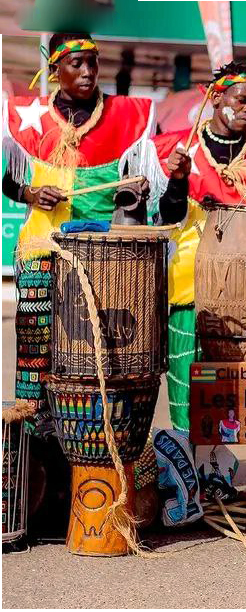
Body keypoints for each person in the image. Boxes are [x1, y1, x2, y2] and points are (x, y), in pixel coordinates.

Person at [3, 31, 159, 433]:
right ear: (55, 71)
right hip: (41, 242)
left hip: (102, 247)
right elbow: (8, 180)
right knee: (36, 329)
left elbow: (141, 188)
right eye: (77, 64)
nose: (88, 72)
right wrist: (29, 192)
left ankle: (98, 416)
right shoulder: (29, 118)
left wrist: (133, 190)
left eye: (93, 62)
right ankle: (32, 409)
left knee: (98, 335)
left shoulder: (126, 116)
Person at [149, 58, 246, 479]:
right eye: (241, 99)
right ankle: (193, 481)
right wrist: (176, 180)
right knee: (190, 389)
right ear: (215, 97)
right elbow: (169, 216)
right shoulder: (180, 148)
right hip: (190, 286)